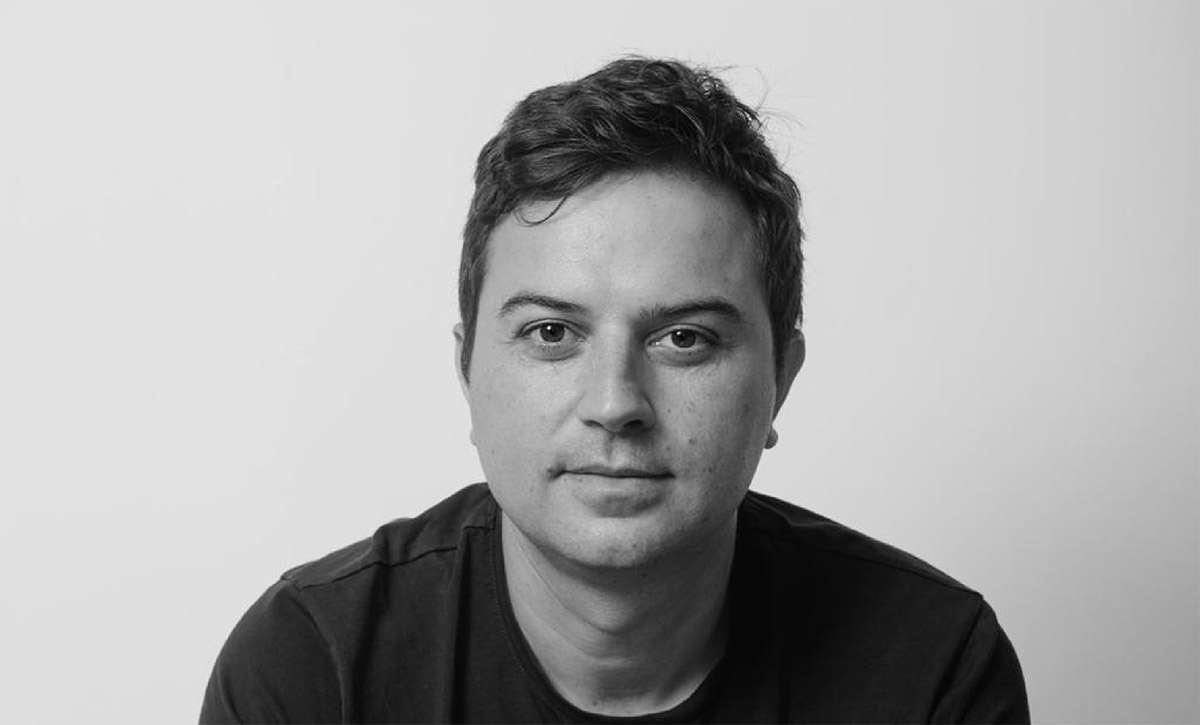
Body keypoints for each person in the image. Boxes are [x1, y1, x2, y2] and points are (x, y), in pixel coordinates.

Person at [200, 57, 1030, 723]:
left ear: (781, 381)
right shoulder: (316, 666)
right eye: (551, 333)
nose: (614, 403)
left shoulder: (932, 668)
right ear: (467, 370)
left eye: (684, 338)